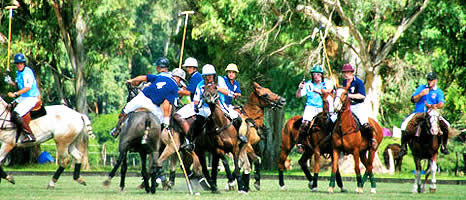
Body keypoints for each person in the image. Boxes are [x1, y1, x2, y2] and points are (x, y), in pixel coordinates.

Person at [174, 64, 244, 150]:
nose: (208, 78)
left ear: (213, 75)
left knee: (237, 117)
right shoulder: (200, 85)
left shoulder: (220, 80)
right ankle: (191, 142)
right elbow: (196, 99)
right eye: (206, 76)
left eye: (210, 75)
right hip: (205, 108)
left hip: (221, 106)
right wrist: (197, 105)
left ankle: (239, 136)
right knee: (197, 122)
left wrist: (216, 88)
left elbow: (226, 91)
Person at [110, 67, 186, 143]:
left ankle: (116, 130)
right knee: (160, 123)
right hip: (154, 106)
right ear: (179, 79)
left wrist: (132, 80)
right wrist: (166, 120)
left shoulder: (160, 77)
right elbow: (166, 103)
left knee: (126, 110)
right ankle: (150, 139)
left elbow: (143, 77)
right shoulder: (174, 88)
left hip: (141, 98)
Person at [399, 72, 449, 155]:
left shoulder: (438, 92)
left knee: (446, 125)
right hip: (419, 112)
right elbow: (413, 99)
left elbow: (441, 104)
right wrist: (421, 94)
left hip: (433, 113)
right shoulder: (421, 88)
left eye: (431, 80)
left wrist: (433, 106)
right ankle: (403, 147)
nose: (429, 82)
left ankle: (444, 146)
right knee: (404, 125)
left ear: (435, 81)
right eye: (428, 80)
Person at [295, 64, 334, 151]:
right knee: (305, 124)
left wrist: (316, 90)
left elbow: (329, 92)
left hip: (323, 107)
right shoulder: (308, 84)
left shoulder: (327, 82)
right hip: (311, 107)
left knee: (333, 122)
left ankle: (334, 141)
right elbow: (298, 95)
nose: (316, 76)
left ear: (322, 75)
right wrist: (299, 88)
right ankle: (300, 143)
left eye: (318, 74)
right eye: (314, 74)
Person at [5, 53, 40, 143]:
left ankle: (29, 135)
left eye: (21, 63)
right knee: (9, 107)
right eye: (17, 63)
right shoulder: (18, 72)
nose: (19, 65)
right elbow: (18, 84)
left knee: (16, 114)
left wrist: (15, 94)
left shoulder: (27, 72)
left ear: (24, 63)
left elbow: (27, 87)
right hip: (24, 97)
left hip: (31, 97)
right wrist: (10, 81)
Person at [340, 63, 375, 146]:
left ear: (352, 72)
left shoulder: (358, 82)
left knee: (364, 123)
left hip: (358, 106)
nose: (346, 74)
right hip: (347, 106)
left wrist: (349, 95)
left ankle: (371, 140)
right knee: (334, 120)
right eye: (344, 72)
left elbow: (362, 96)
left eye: (347, 72)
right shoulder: (344, 82)